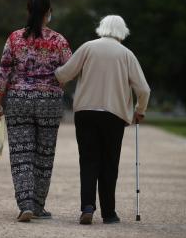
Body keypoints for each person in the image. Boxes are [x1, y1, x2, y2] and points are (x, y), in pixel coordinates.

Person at [55, 15, 150, 225]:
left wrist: (53, 72)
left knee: (88, 160)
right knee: (109, 162)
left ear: (101, 28)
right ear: (122, 32)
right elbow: (143, 89)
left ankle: (87, 207)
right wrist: (139, 110)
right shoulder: (127, 54)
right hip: (113, 116)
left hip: (86, 113)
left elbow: (64, 74)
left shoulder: (88, 47)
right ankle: (109, 213)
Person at [0, 0, 72, 222]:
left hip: (19, 101)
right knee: (44, 155)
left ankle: (25, 203)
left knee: (21, 154)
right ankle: (38, 206)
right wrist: (58, 81)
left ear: (28, 11)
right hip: (49, 103)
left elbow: (3, 71)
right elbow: (69, 70)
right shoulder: (58, 40)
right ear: (48, 12)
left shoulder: (15, 38)